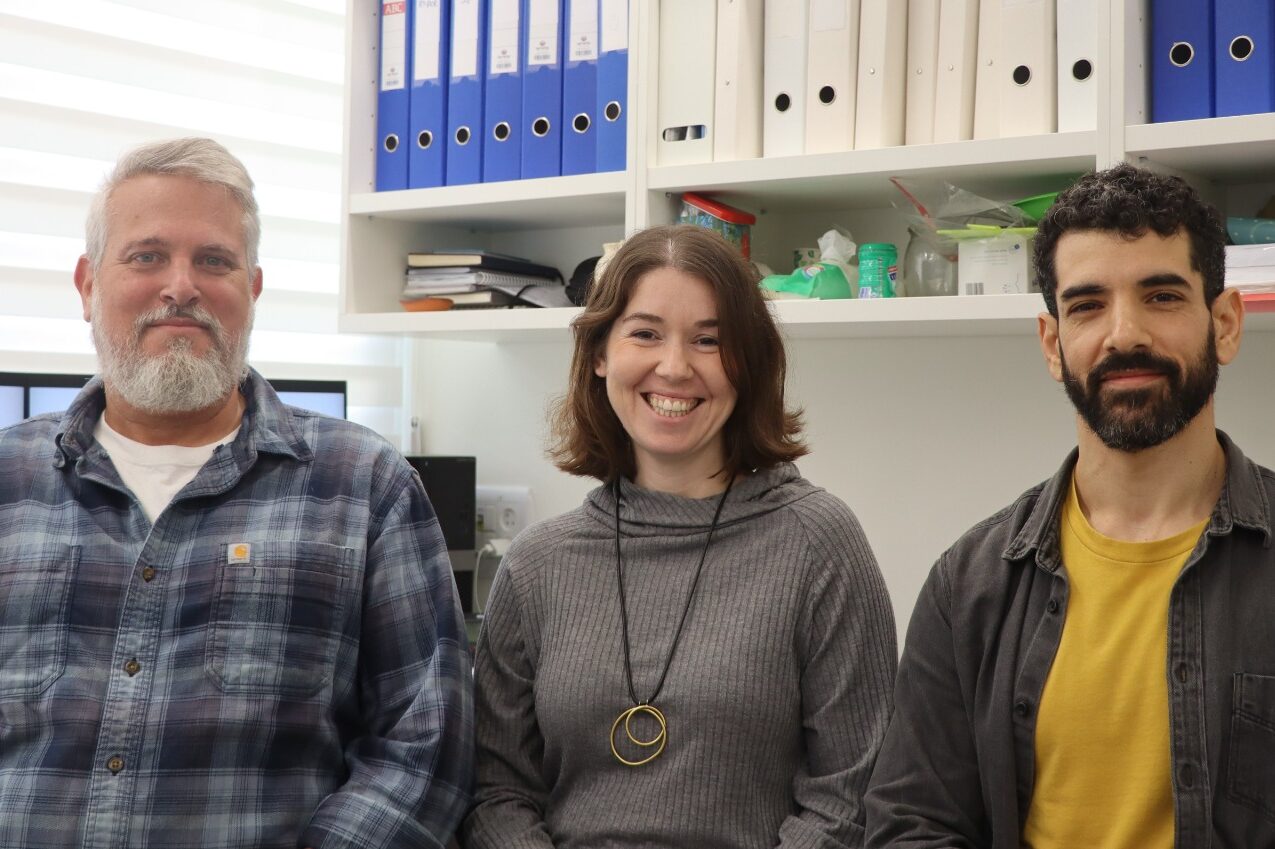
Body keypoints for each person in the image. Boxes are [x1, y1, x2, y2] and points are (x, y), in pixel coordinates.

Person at [0, 137, 473, 848]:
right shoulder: (9, 484)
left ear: (251, 289)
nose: (180, 286)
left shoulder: (364, 486)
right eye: (146, 255)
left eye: (213, 260)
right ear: (87, 284)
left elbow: (424, 750)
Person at [864, 163, 1272, 848]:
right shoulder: (967, 587)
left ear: (1224, 323)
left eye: (1161, 296)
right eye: (1086, 305)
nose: (1122, 334)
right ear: (1053, 344)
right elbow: (911, 824)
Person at [461, 224, 898, 849]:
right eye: (645, 333)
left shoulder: (817, 543)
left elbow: (852, 792)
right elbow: (496, 790)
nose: (675, 367)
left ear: (749, 364)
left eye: (709, 341)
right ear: (600, 354)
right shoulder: (536, 565)